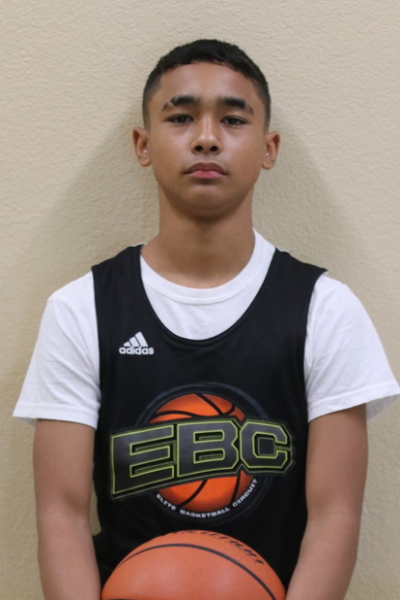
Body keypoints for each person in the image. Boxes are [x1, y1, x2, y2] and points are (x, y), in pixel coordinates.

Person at [14, 39, 399, 600]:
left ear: (268, 148)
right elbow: (61, 514)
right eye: (181, 117)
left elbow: (334, 518)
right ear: (143, 145)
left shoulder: (326, 309)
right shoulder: (81, 309)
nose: (207, 137)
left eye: (233, 119)